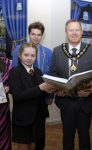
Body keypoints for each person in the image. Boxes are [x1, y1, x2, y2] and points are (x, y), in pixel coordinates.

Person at [50, 19, 92, 150]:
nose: (74, 33)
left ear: (82, 31)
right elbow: (53, 74)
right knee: (67, 137)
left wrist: (88, 91)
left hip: (85, 102)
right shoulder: (57, 51)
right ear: (66, 32)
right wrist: (57, 90)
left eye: (77, 29)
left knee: (84, 137)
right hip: (65, 102)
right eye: (71, 30)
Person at [11, 21, 53, 149]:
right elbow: (17, 94)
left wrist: (54, 88)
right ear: (19, 55)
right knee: (24, 143)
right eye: (26, 55)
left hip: (38, 113)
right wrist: (39, 88)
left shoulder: (38, 71)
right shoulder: (16, 72)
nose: (29, 58)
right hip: (23, 115)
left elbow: (44, 87)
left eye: (33, 56)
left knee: (35, 142)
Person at [0, 51, 11, 150]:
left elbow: (13, 79)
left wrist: (9, 87)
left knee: (3, 134)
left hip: (2, 108)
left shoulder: (5, 61)